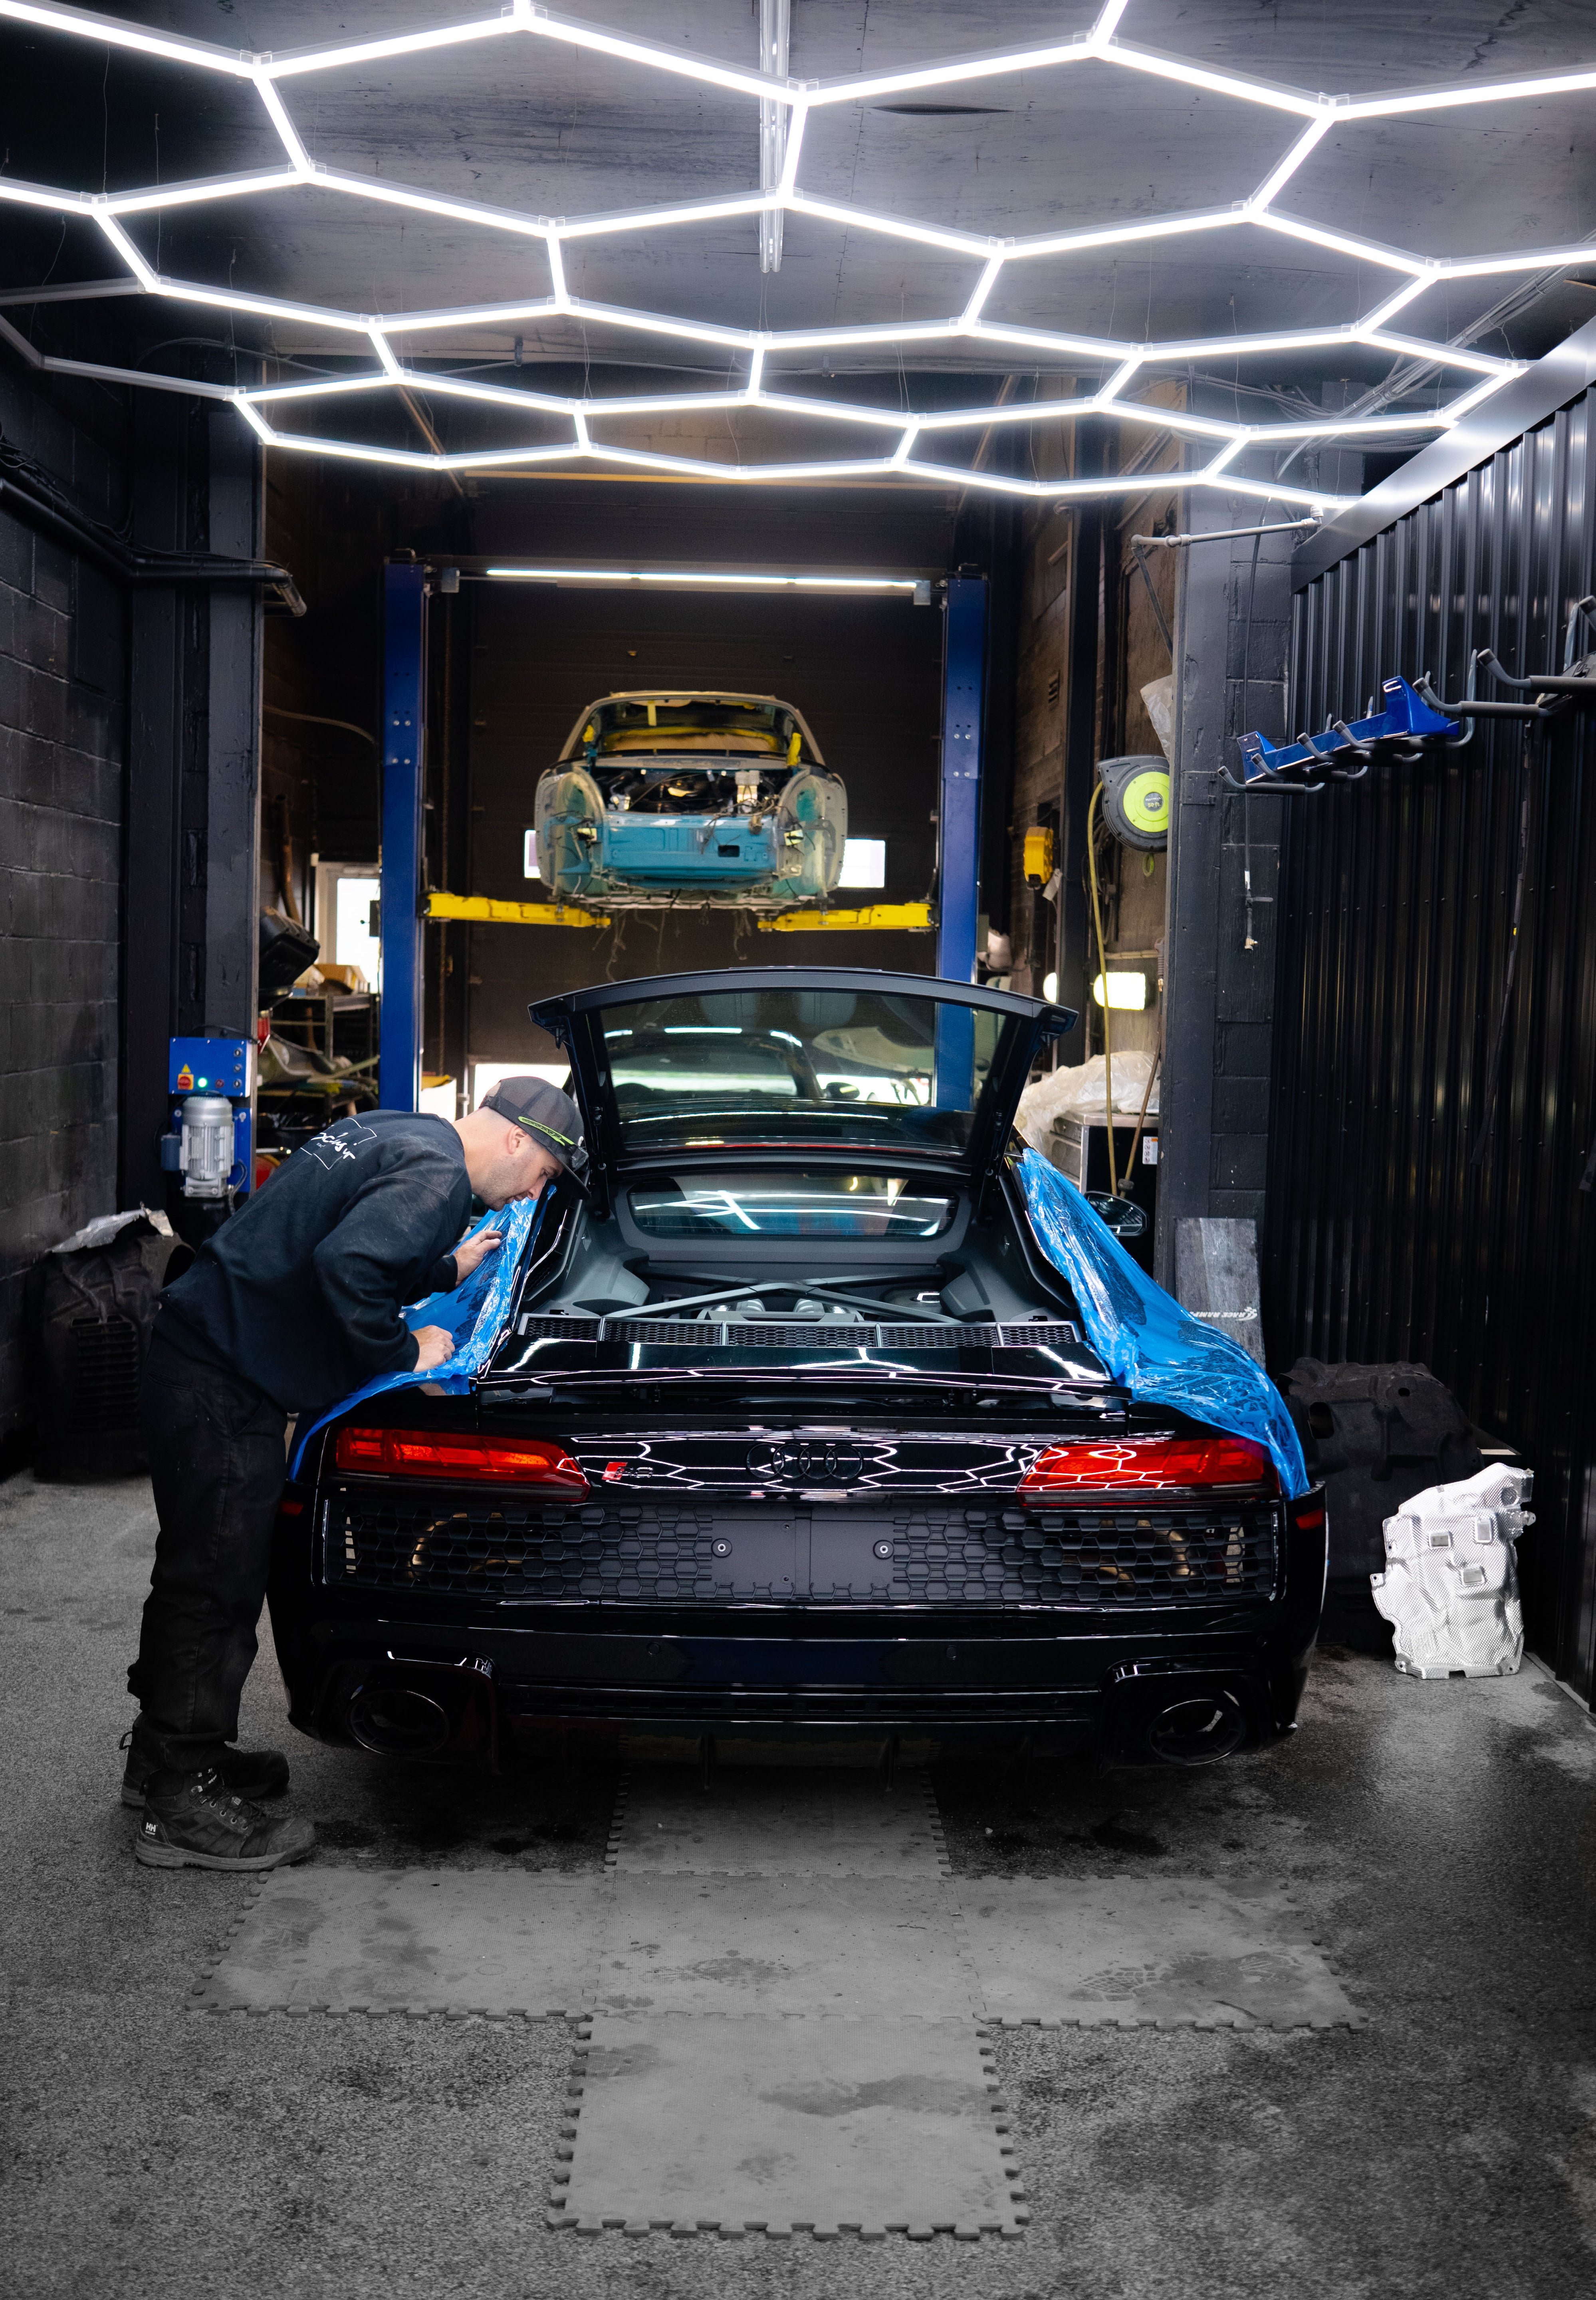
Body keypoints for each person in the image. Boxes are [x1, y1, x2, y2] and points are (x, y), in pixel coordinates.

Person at [124, 1077, 586, 1872]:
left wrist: (445, 1269)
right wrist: (407, 1350)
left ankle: (162, 1759)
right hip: (222, 1383)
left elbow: (341, 1233)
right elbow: (348, 1263)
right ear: (516, 1138)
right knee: (214, 1586)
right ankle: (181, 1800)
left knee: (202, 1572)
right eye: (544, 1172)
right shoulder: (438, 1177)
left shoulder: (400, 1131)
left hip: (200, 1356)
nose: (535, 1191)